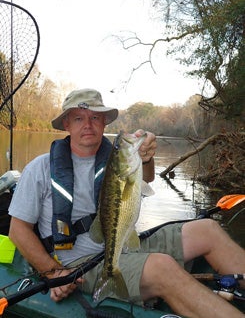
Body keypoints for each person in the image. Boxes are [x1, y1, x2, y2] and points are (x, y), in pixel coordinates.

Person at [8, 88, 245, 318]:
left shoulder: (118, 158)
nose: (88, 125)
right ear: (66, 125)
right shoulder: (40, 168)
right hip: (82, 266)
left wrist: (147, 157)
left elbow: (146, 177)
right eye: (79, 118)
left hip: (124, 244)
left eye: (95, 117)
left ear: (104, 123)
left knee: (208, 229)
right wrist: (53, 272)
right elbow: (17, 231)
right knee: (162, 267)